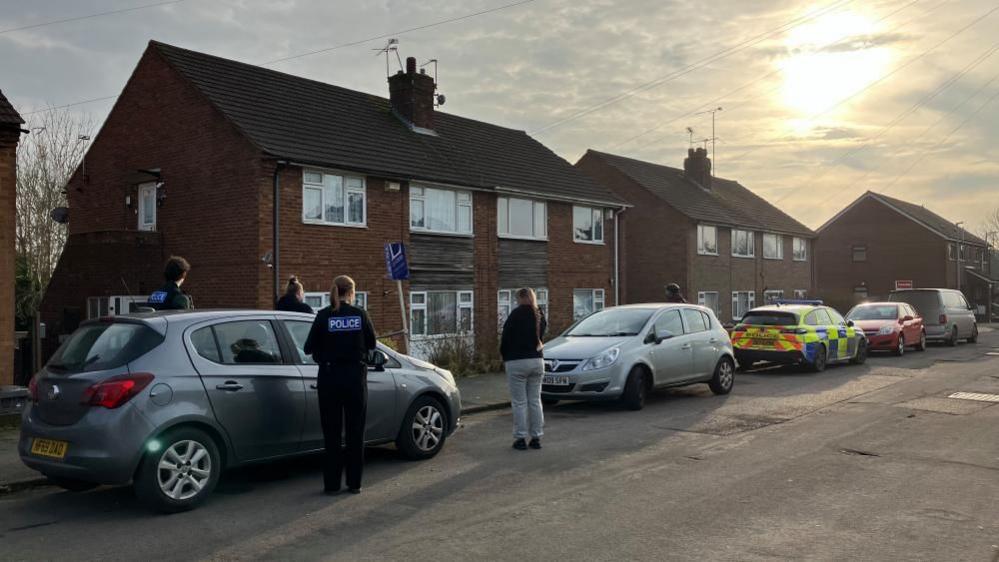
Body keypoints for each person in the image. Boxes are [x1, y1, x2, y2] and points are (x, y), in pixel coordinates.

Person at [303, 275, 376, 495]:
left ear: (333, 290)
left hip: (329, 379)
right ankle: (354, 484)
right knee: (355, 433)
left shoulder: (324, 316)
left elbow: (308, 348)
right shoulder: (359, 314)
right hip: (354, 379)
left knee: (332, 434)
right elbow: (372, 343)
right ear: (352, 292)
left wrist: (323, 354)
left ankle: (332, 485)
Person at [500, 287, 547, 451]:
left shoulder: (516, 314)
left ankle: (520, 439)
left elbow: (505, 338)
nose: (516, 302)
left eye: (517, 299)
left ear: (521, 298)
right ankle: (536, 438)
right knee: (535, 400)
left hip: (517, 362)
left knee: (520, 403)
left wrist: (504, 357)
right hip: (537, 361)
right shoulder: (539, 314)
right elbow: (540, 337)